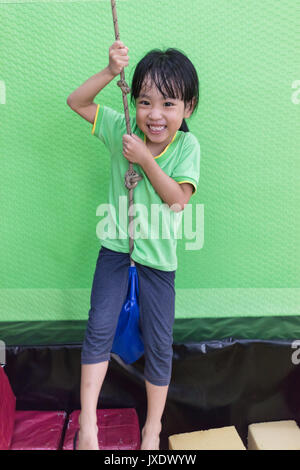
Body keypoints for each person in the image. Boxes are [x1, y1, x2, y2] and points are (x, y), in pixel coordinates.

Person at [67, 40, 200, 450]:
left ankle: (152, 429)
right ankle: (87, 424)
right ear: (134, 102)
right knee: (99, 328)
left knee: (160, 345)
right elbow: (76, 100)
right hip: (115, 250)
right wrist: (109, 71)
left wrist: (145, 159)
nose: (155, 114)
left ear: (188, 108)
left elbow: (178, 200)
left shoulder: (187, 147)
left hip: (158, 261)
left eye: (169, 104)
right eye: (145, 102)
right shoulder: (119, 128)